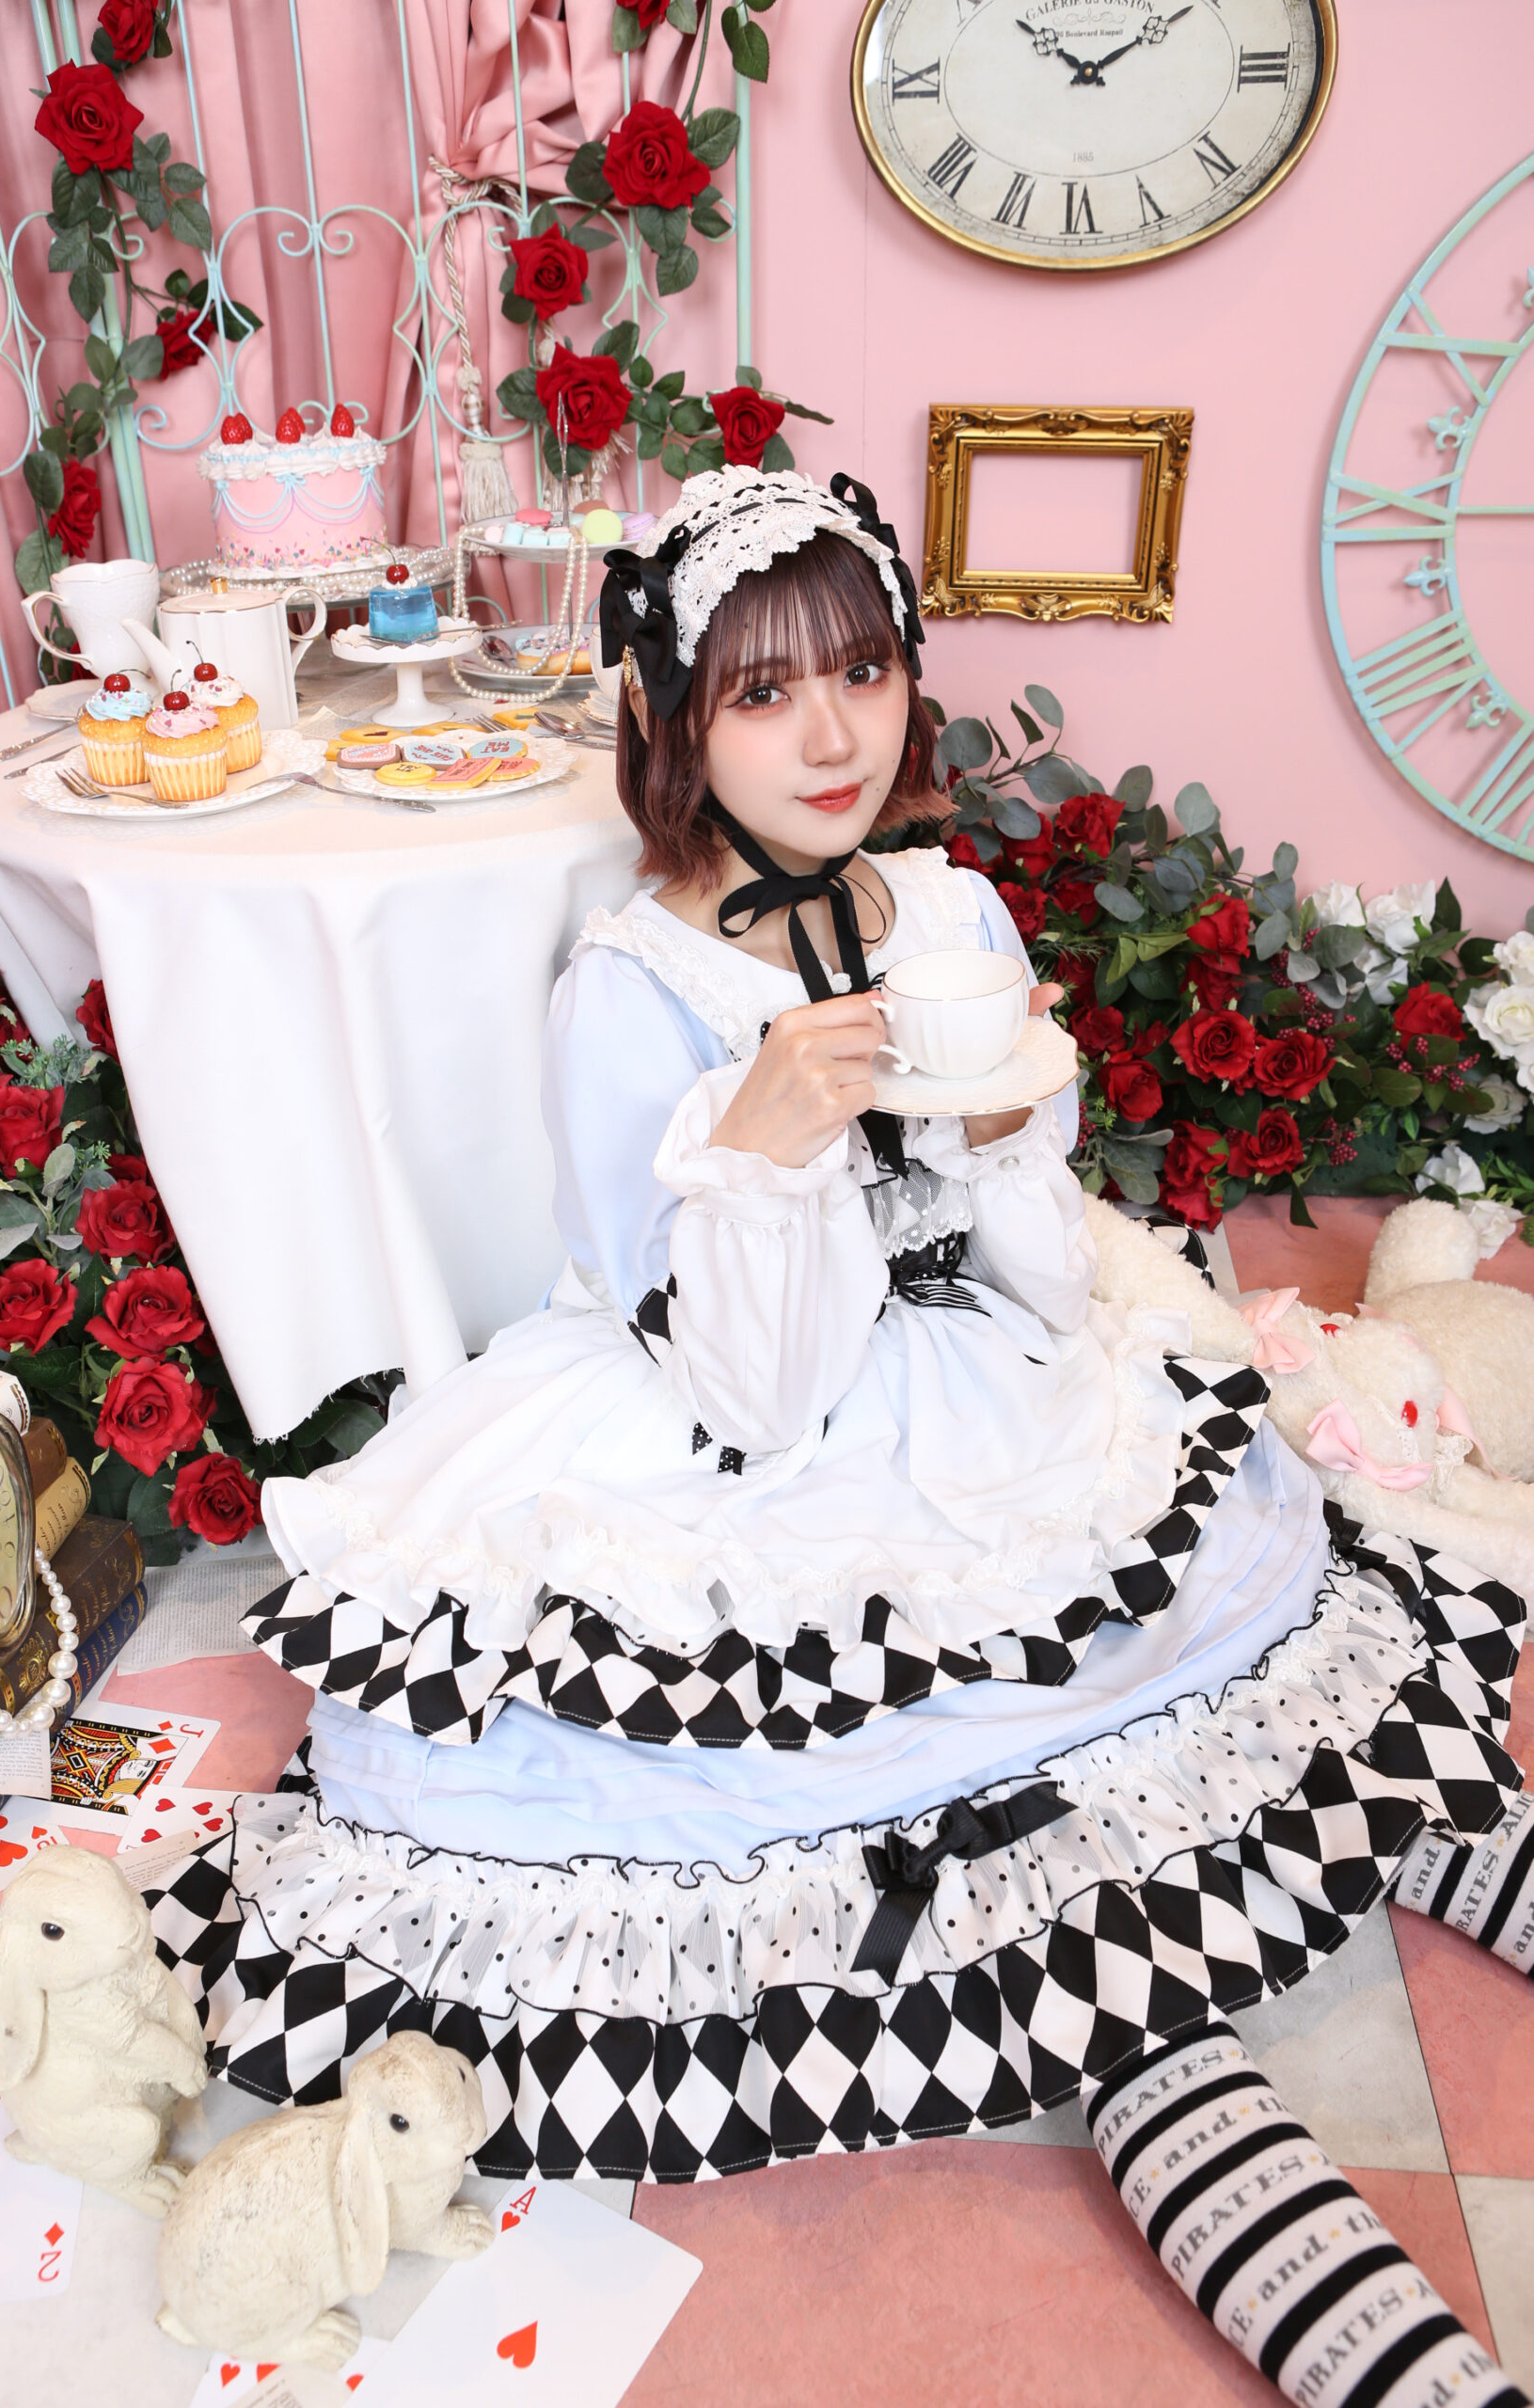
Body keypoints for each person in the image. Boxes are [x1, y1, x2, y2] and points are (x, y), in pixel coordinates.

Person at [151, 471, 1529, 2408]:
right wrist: (765, 1150)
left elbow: (1035, 1289)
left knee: (1299, 1696)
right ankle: (1288, 2225)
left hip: (986, 1383)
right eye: (761, 691)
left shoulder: (948, 905)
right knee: (1060, 1922)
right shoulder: (627, 993)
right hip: (751, 1444)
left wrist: (1007, 1142)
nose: (830, 736)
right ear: (673, 720)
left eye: (864, 672)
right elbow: (754, 1403)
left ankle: (1413, 1867)